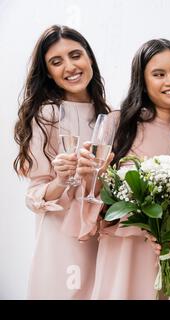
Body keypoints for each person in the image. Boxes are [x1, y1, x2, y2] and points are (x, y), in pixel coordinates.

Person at [76, 38, 170, 299]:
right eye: (159, 74)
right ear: (143, 81)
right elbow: (93, 201)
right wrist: (89, 172)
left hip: (166, 253)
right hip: (122, 251)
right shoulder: (118, 124)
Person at [13, 25, 111, 299]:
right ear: (48, 73)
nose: (70, 66)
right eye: (56, 62)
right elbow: (34, 196)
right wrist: (60, 179)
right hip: (61, 241)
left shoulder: (110, 115)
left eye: (75, 55)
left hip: (102, 238)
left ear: (89, 57)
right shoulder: (47, 116)